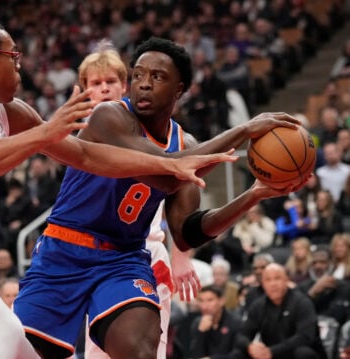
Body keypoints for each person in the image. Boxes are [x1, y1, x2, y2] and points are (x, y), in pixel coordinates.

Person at [0, 21, 232, 359]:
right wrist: (42, 134)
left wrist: (169, 164)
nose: (20, 64)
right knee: (5, 333)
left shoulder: (10, 112)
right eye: (12, 56)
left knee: (11, 350)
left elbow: (84, 154)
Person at [14, 36, 305, 359]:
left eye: (158, 77)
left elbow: (187, 232)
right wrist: (243, 130)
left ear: (179, 90)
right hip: (65, 250)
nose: (144, 85)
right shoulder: (109, 117)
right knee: (23, 354)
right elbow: (167, 175)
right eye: (138, 75)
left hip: (122, 260)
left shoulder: (187, 143)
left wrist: (254, 194)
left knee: (138, 351)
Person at [75, 40, 201, 359]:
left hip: (142, 252)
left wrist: (182, 257)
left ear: (124, 85)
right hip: (94, 256)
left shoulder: (158, 131)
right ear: (83, 91)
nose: (104, 89)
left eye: (111, 82)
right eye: (95, 84)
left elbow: (183, 205)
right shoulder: (85, 133)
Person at [232, 263, 327, 359]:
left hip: (294, 352)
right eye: (268, 280)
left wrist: (272, 351)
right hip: (269, 353)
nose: (273, 284)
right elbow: (242, 335)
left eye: (277, 278)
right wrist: (250, 346)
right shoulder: (258, 306)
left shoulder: (302, 302)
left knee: (303, 353)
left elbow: (305, 337)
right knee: (238, 354)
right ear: (263, 284)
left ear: (286, 280)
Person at [189, 285, 242, 359]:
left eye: (210, 300)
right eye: (201, 301)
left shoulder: (235, 322)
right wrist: (201, 333)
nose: (205, 306)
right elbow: (195, 355)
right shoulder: (198, 323)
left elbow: (239, 355)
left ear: (222, 301)